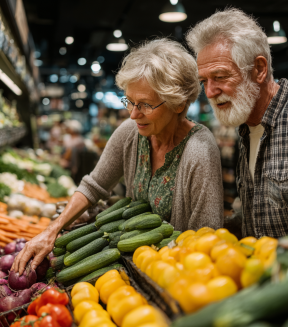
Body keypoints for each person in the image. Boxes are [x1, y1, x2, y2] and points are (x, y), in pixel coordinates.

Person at [13, 38, 223, 274]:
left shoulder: (200, 151)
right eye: (130, 102)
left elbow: (207, 236)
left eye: (144, 104)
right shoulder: (131, 132)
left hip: (176, 273)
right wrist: (52, 230)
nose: (133, 114)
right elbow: (94, 185)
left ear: (178, 103)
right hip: (130, 268)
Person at [186, 8, 288, 238]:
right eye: (204, 81)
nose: (210, 92)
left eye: (221, 77)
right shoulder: (245, 126)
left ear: (259, 69)